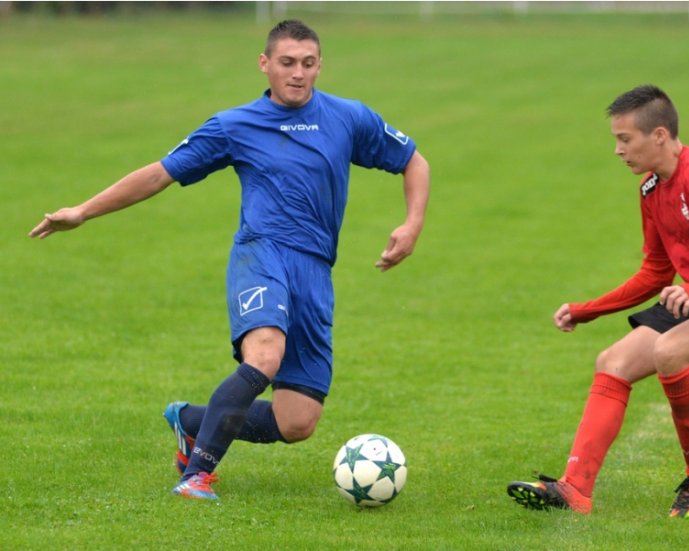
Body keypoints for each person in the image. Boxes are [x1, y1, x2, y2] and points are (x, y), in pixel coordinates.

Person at [29, 19, 430, 501]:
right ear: (265, 65)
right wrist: (83, 212)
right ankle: (196, 475)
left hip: (315, 271)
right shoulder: (234, 126)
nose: (298, 74)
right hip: (262, 254)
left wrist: (412, 224)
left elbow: (413, 160)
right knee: (264, 355)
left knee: (297, 421)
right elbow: (159, 174)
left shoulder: (348, 117)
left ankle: (191, 420)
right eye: (286, 63)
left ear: (320, 65)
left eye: (307, 64)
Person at [507, 84, 689, 517]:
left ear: (659, 135)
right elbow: (656, 274)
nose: (618, 150)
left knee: (669, 350)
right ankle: (574, 490)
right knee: (612, 362)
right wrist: (588, 310)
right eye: (616, 141)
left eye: (625, 139)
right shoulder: (651, 189)